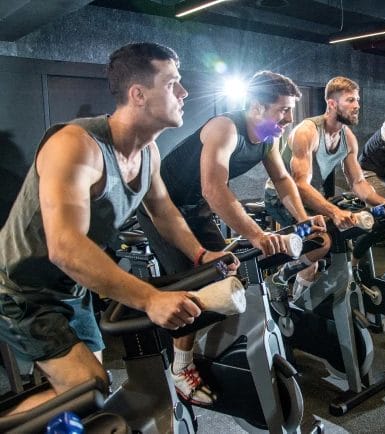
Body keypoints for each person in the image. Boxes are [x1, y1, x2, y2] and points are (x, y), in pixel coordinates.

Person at [0, 42, 235, 415]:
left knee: (88, 395)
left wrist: (201, 254)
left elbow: (164, 213)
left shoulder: (148, 153)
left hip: (73, 287)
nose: (185, 92)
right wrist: (148, 298)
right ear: (138, 94)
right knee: (87, 390)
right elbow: (65, 246)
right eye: (173, 83)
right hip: (23, 288)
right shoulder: (77, 146)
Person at [139, 70, 327, 401]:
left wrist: (303, 218)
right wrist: (255, 234)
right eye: (283, 110)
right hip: (163, 208)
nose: (289, 118)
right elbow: (215, 188)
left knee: (228, 277)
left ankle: (216, 346)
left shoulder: (269, 137)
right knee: (193, 284)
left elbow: (284, 181)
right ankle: (180, 367)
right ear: (256, 107)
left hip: (196, 209)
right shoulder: (224, 128)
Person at [264, 76, 385, 280]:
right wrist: (334, 211)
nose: (357, 105)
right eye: (350, 100)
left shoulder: (347, 138)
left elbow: (358, 183)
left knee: (346, 231)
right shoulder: (308, 131)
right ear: (331, 103)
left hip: (311, 197)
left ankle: (306, 297)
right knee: (320, 242)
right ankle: (281, 279)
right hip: (280, 196)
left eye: (357, 100)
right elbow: (300, 184)